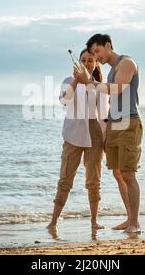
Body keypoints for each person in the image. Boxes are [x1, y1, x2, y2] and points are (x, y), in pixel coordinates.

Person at [74, 34, 143, 233]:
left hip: (129, 122)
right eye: (93, 53)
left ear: (108, 45)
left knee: (129, 174)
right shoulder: (113, 70)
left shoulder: (127, 63)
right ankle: (131, 219)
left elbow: (117, 90)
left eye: (97, 51)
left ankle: (134, 223)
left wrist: (91, 83)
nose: (96, 56)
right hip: (114, 123)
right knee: (118, 173)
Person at [47, 49, 107, 234]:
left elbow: (103, 116)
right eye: (83, 60)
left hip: (95, 137)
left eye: (91, 60)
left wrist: (105, 141)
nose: (87, 63)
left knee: (94, 181)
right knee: (65, 179)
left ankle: (94, 221)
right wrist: (76, 80)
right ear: (78, 62)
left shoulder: (99, 86)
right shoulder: (67, 81)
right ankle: (53, 222)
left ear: (96, 63)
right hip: (72, 136)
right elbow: (64, 101)